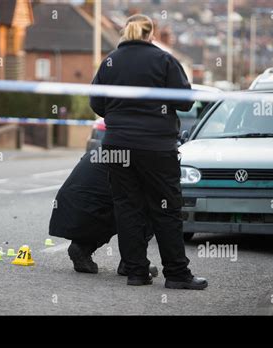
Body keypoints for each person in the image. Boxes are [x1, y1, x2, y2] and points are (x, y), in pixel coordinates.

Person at [90, 14, 208, 289]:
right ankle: (177, 275)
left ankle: (136, 273)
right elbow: (185, 102)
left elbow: (96, 102)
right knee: (165, 209)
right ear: (150, 34)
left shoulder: (110, 61)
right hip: (156, 147)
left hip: (117, 145)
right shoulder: (164, 60)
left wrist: (119, 118)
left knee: (127, 208)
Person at [49, 152, 158, 277]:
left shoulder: (103, 148)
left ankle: (82, 247)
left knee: (112, 201)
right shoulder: (137, 153)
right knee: (147, 207)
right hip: (90, 211)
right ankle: (132, 263)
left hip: (68, 206)